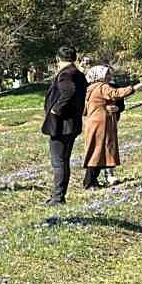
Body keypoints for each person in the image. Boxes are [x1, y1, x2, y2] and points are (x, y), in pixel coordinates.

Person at [82, 65, 142, 190]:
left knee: (98, 151)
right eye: (107, 74)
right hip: (100, 125)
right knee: (97, 152)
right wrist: (134, 88)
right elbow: (116, 93)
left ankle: (92, 181)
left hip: (94, 123)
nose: (110, 77)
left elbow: (86, 110)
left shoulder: (90, 88)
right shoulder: (102, 86)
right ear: (100, 76)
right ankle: (89, 182)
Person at [41, 46, 87, 206]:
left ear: (58, 59)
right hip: (73, 124)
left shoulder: (66, 74)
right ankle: (59, 195)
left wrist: (56, 109)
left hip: (62, 125)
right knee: (64, 160)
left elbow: (69, 92)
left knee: (58, 161)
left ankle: (58, 197)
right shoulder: (79, 74)